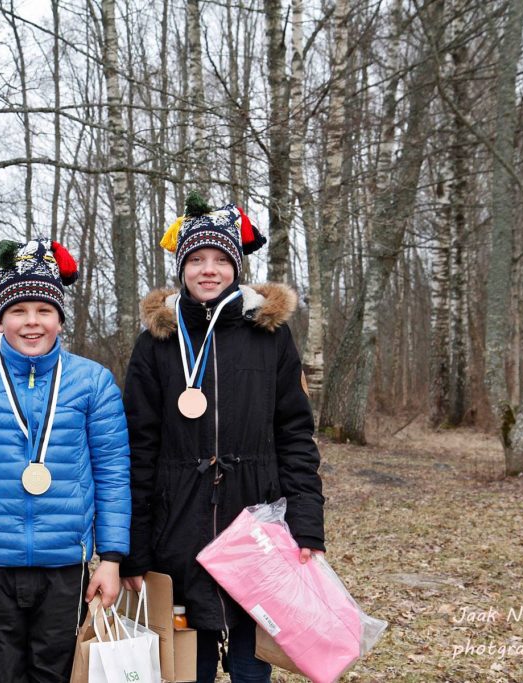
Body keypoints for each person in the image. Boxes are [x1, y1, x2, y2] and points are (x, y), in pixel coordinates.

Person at [120, 193, 326, 683]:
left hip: (254, 525)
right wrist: (133, 546)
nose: (207, 270)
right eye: (196, 260)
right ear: (182, 268)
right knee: (189, 667)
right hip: (178, 527)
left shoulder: (269, 336)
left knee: (251, 666)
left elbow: (296, 434)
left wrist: (306, 522)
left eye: (219, 259)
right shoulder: (156, 343)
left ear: (236, 265)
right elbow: (136, 447)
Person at [0, 237, 130, 683]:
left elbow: (113, 475)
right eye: (18, 311)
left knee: (55, 673)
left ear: (59, 318)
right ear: (0, 320)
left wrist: (111, 559)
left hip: (64, 569)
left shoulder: (94, 383)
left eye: (44, 310)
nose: (31, 322)